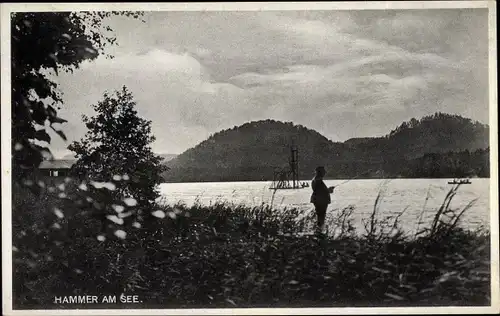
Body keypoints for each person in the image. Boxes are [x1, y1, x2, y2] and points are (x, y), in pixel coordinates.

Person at [310, 166, 335, 231]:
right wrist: (328, 190)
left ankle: (319, 231)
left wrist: (327, 190)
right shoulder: (318, 180)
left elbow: (319, 190)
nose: (325, 173)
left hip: (319, 200)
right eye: (323, 171)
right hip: (320, 201)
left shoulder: (316, 179)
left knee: (320, 217)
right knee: (321, 217)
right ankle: (320, 231)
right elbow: (320, 191)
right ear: (320, 172)